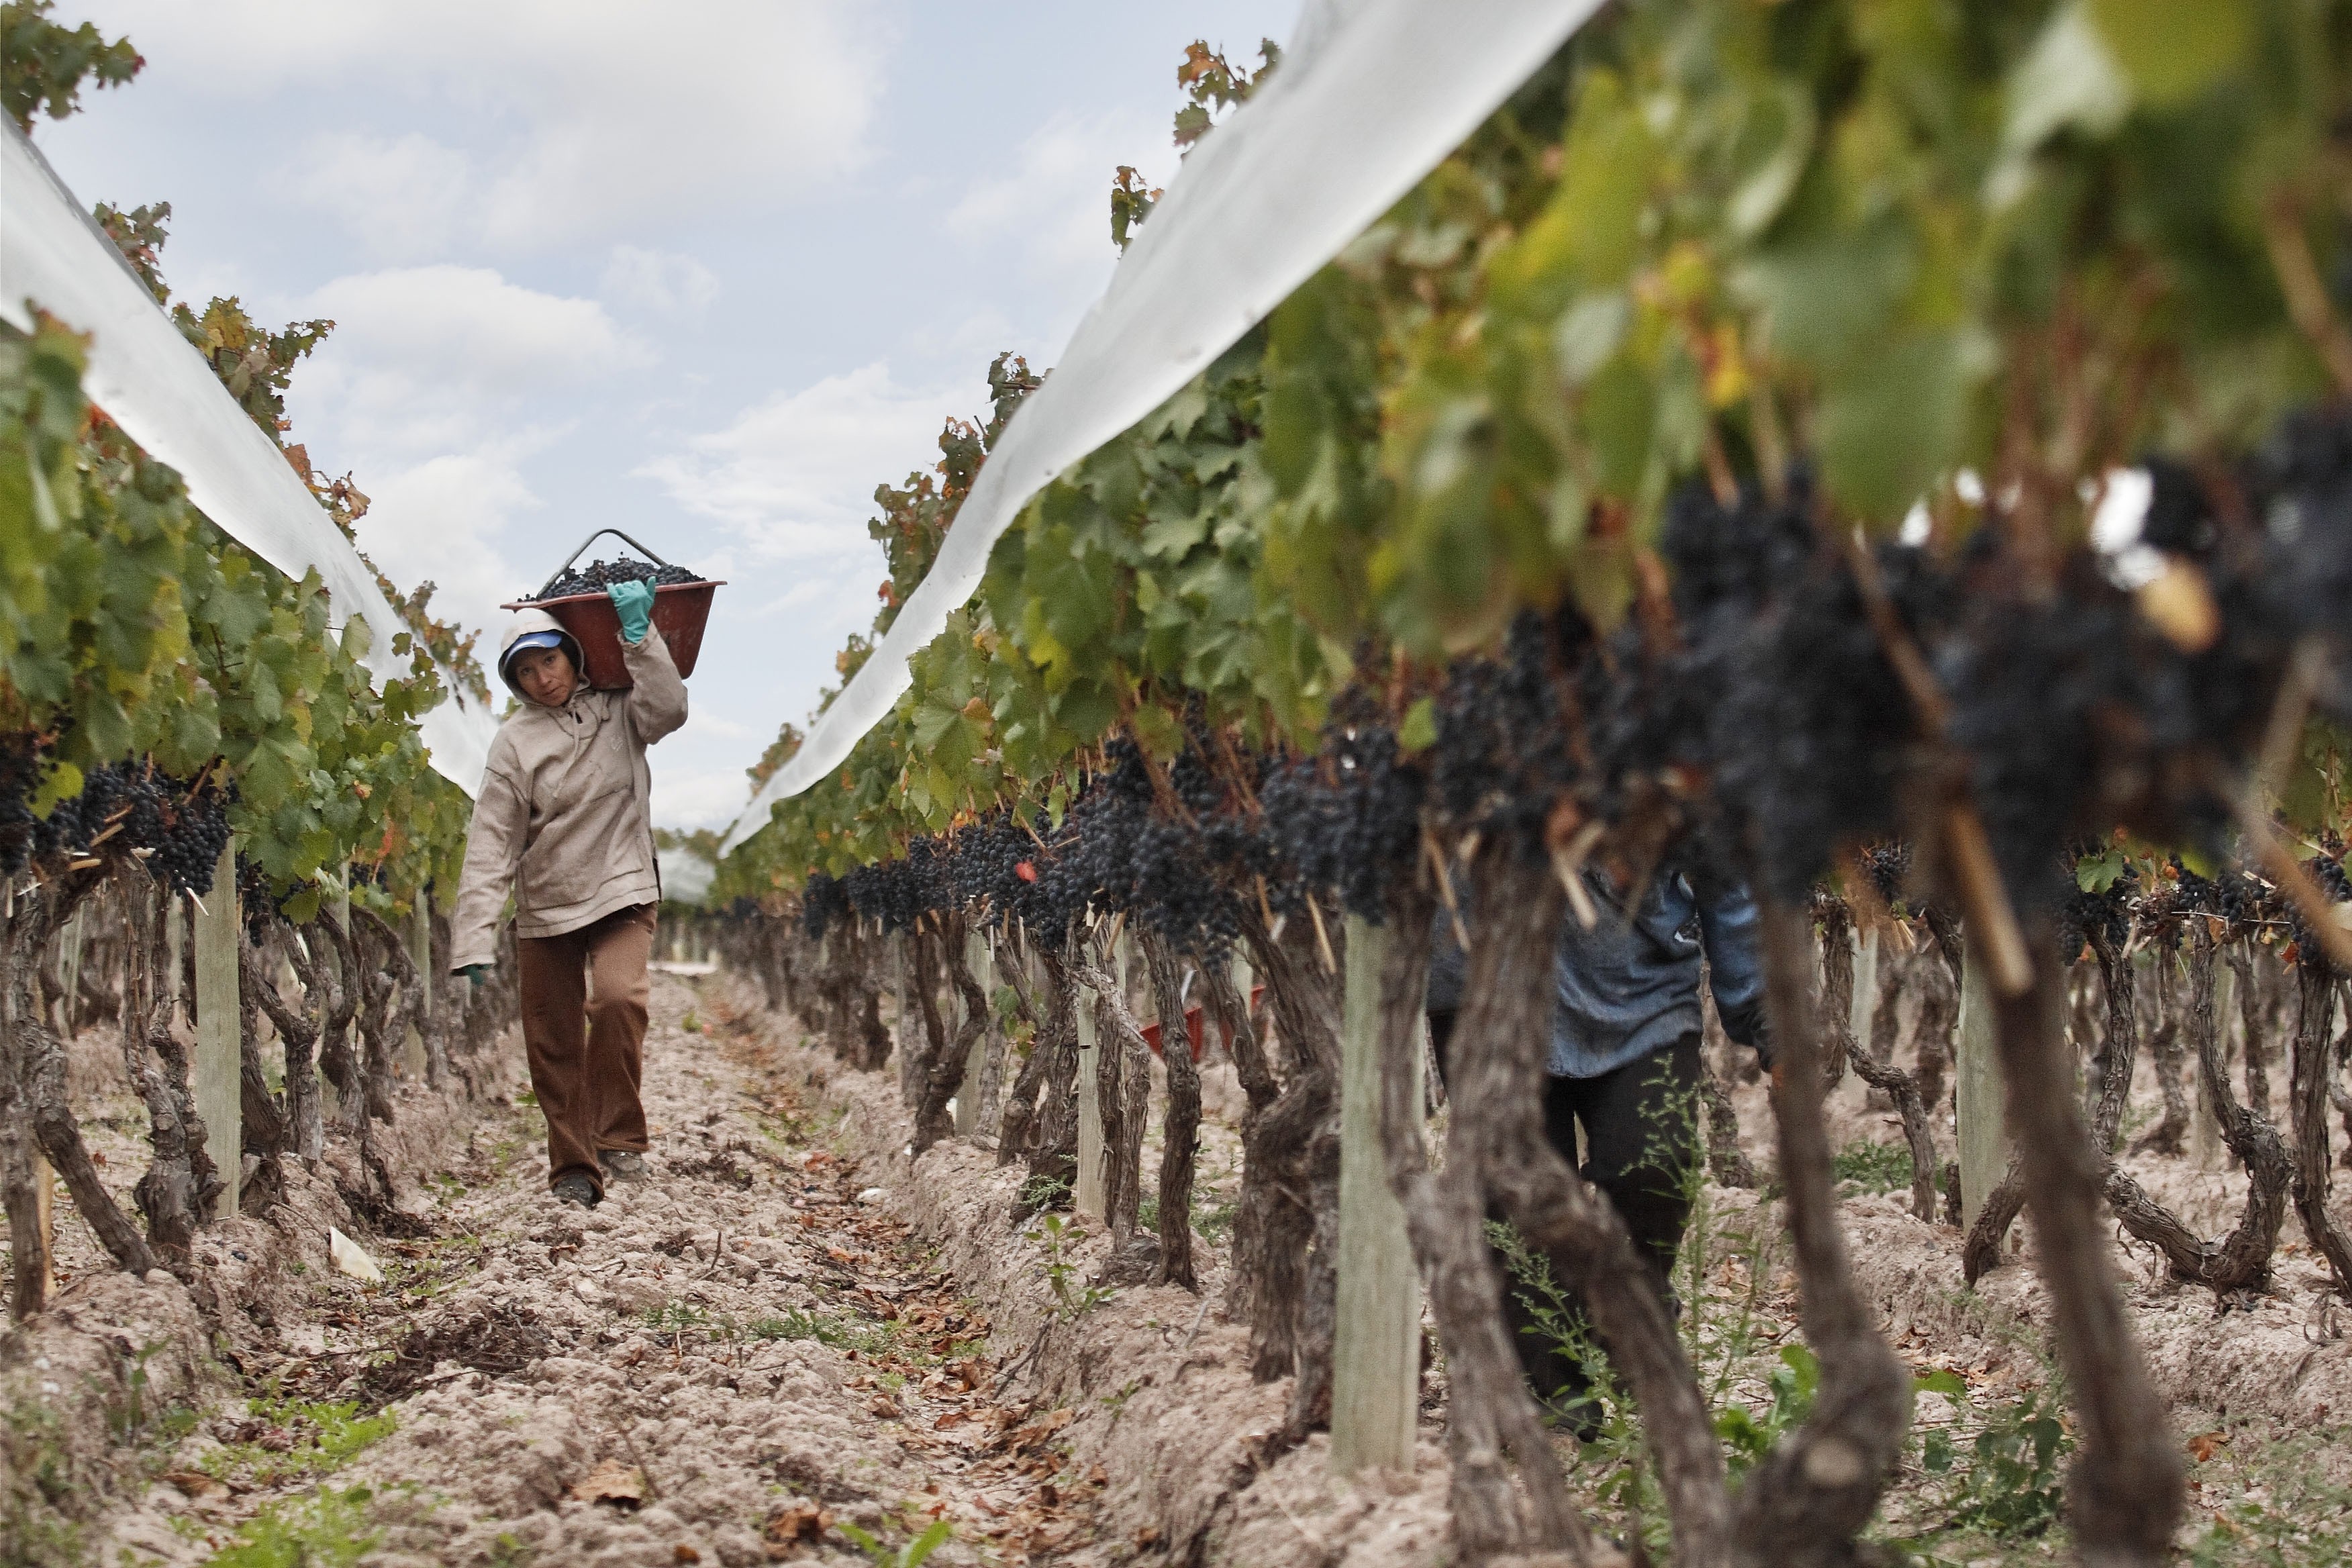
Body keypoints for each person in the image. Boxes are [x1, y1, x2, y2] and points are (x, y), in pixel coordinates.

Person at [1428, 854, 1769, 1424]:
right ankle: (1548, 1382)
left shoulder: (1675, 762)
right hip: (1485, 991)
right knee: (1516, 1196)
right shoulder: (1449, 763)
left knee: (1656, 1163)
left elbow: (1721, 853)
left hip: (1640, 988)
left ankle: (1629, 1318)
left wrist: (1765, 1018)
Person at [450, 579, 687, 1209]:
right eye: (524, 672)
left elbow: (669, 711)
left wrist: (640, 638)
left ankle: (619, 1139)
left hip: (624, 886)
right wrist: (472, 939)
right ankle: (574, 1172)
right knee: (552, 1040)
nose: (541, 680)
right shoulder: (515, 744)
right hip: (548, 903)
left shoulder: (618, 706)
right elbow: (491, 843)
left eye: (548, 660)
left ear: (573, 654)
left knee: (617, 999)